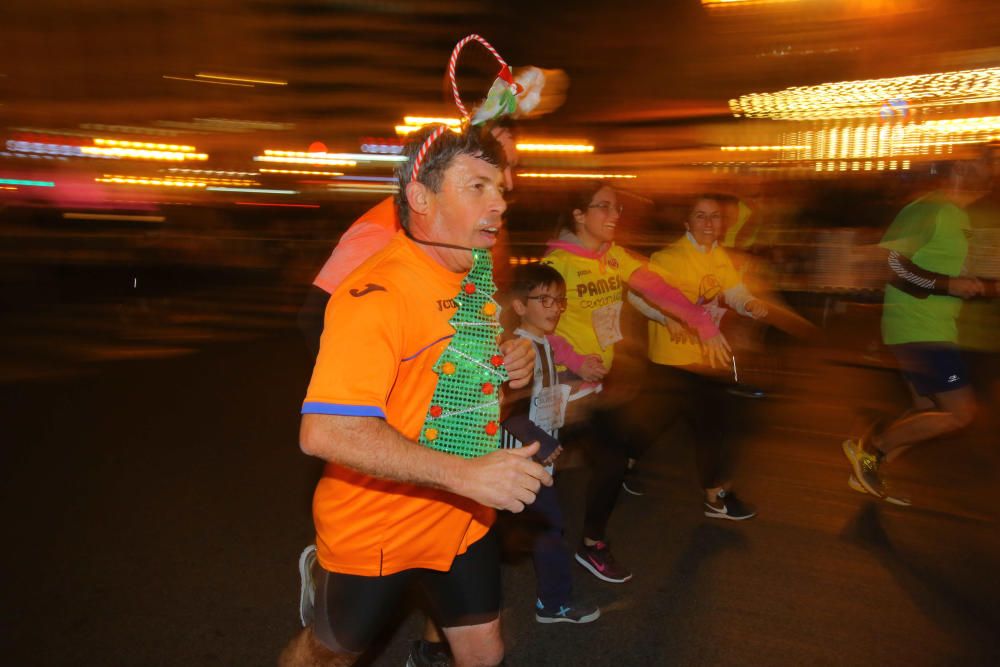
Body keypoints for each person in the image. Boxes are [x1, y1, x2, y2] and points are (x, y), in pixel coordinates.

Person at [279, 125, 552, 667]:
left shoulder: (472, 268)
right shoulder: (374, 295)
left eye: (501, 188)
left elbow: (455, 360)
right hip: (378, 526)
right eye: (478, 186)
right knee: (324, 657)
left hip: (462, 516)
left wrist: (504, 363)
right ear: (421, 198)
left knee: (484, 651)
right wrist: (465, 475)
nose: (499, 201)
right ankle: (323, 577)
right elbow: (325, 432)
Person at [542, 181, 731, 584]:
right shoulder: (558, 264)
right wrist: (577, 360)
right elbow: (542, 327)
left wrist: (700, 323)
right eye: (603, 208)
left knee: (608, 459)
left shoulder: (614, 258)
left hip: (596, 382)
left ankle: (590, 544)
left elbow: (659, 289)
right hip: (561, 381)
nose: (614, 216)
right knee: (541, 476)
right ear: (579, 215)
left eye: (617, 209)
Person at [842, 157, 997, 503]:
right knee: (960, 413)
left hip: (936, 325)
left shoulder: (959, 217)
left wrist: (980, 287)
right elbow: (895, 265)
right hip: (916, 325)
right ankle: (870, 450)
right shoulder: (929, 209)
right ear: (957, 172)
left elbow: (953, 273)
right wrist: (947, 284)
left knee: (925, 407)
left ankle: (868, 465)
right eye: (980, 170)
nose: (988, 179)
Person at [297, 119, 519, 357]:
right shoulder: (385, 228)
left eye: (512, 167)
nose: (509, 181)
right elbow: (316, 315)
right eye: (499, 165)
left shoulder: (471, 233)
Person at [628, 194, 768, 520]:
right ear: (687, 223)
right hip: (673, 361)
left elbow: (732, 289)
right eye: (700, 216)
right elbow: (637, 296)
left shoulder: (717, 256)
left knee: (664, 425)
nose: (708, 223)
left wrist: (747, 303)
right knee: (708, 429)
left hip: (706, 360)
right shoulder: (671, 257)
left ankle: (626, 459)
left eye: (714, 217)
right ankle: (715, 496)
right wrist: (667, 318)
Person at [500, 262, 602, 624]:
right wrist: (540, 440)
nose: (554, 308)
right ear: (519, 306)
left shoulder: (545, 344)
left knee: (519, 526)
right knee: (549, 526)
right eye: (544, 299)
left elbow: (541, 394)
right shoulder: (516, 349)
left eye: (559, 301)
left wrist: (573, 388)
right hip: (519, 456)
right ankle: (553, 603)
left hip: (535, 456)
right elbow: (507, 409)